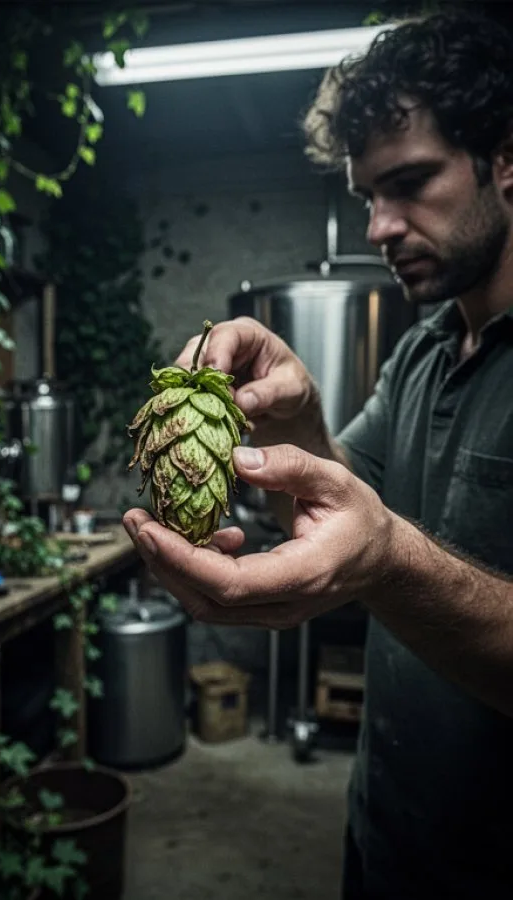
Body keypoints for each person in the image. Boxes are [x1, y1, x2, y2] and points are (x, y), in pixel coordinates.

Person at [121, 11, 513, 899]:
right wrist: (289, 425)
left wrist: (387, 562)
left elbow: (374, 544)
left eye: (410, 184)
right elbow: (339, 500)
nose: (378, 227)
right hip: (384, 835)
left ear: (505, 157)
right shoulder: (420, 351)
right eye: (367, 195)